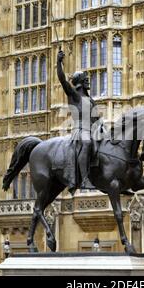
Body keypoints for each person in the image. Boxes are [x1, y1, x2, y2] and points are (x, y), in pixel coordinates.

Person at [57, 50, 98, 193]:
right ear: (80, 81)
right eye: (85, 78)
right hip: (79, 130)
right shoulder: (74, 95)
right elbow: (62, 80)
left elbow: (96, 118)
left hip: (93, 129)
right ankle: (84, 179)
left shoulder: (90, 100)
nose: (88, 81)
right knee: (86, 143)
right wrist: (58, 62)